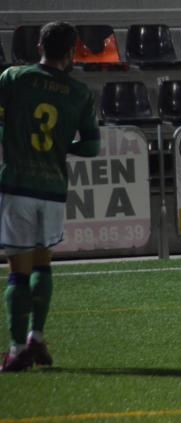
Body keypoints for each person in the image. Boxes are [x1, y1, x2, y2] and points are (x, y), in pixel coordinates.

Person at [0, 21, 101, 372]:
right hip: (53, 188)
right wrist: (64, 145)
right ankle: (37, 337)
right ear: (72, 51)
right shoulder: (79, 93)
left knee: (17, 273)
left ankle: (15, 351)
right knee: (43, 264)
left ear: (39, 45)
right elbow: (91, 147)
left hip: (17, 185)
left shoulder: (14, 78)